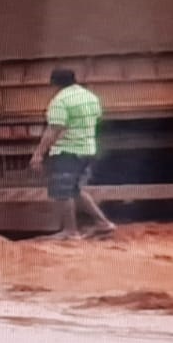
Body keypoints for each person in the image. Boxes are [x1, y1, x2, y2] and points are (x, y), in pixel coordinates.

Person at [28, 68, 115, 239]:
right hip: (88, 149)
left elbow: (54, 128)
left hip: (67, 151)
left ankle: (70, 231)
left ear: (55, 84)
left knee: (63, 191)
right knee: (75, 189)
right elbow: (96, 118)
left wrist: (38, 154)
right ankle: (103, 224)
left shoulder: (60, 101)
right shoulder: (90, 97)